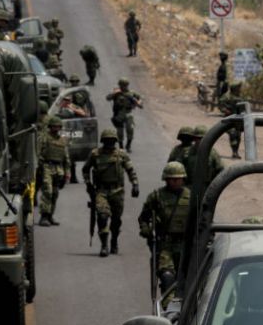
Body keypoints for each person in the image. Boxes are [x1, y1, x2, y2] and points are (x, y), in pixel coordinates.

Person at [82, 129, 139, 257]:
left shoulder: (121, 154)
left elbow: (130, 170)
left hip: (117, 191)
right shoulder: (95, 154)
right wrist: (88, 184)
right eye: (107, 141)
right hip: (101, 191)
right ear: (103, 141)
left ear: (115, 141)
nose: (109, 143)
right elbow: (85, 169)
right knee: (102, 216)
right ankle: (104, 245)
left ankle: (114, 240)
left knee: (116, 220)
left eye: (112, 141)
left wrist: (135, 184)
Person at [138, 162, 191, 294]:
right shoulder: (156, 196)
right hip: (165, 246)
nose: (175, 182)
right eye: (172, 179)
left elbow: (202, 220)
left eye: (178, 179)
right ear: (166, 179)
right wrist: (147, 231)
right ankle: (168, 305)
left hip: (187, 245)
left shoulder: (192, 197)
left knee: (189, 280)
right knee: (167, 277)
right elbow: (144, 218)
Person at [38, 116, 71, 226]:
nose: (56, 128)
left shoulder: (63, 140)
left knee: (55, 193)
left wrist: (67, 173)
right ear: (50, 126)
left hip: (59, 168)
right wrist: (40, 167)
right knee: (48, 191)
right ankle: (44, 216)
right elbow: (38, 153)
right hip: (47, 166)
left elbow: (66, 158)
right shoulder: (45, 138)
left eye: (58, 126)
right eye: (54, 126)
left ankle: (50, 215)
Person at [106, 77, 143, 152]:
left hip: (128, 113)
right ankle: (121, 146)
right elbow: (108, 98)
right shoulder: (116, 93)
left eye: (125, 85)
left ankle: (128, 145)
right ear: (119, 85)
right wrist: (114, 93)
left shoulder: (131, 93)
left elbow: (140, 98)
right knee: (120, 132)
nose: (123, 87)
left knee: (130, 129)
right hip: (118, 114)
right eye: (122, 85)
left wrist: (138, 103)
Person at [218, 82, 244, 158]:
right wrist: (225, 110)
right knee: (233, 134)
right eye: (238, 88)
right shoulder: (226, 96)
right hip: (229, 120)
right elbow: (220, 104)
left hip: (238, 120)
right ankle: (234, 152)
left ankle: (236, 152)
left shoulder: (239, 97)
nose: (239, 90)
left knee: (238, 136)